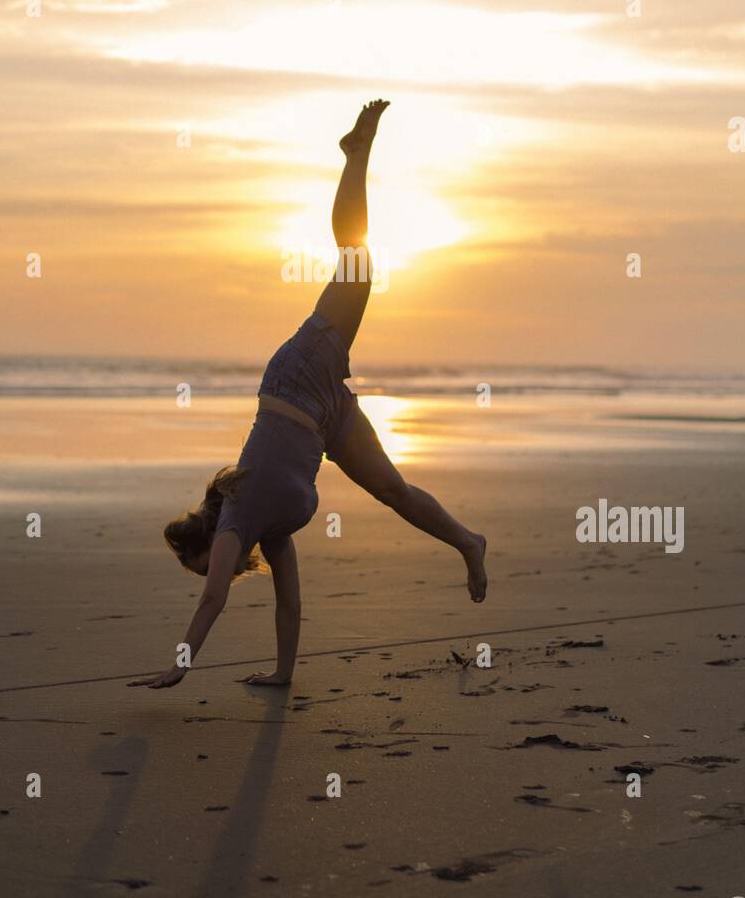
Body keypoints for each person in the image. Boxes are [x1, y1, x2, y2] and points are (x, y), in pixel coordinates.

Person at [130, 101, 487, 692]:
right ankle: (468, 543)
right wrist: (281, 675)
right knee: (394, 490)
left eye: (194, 566)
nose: (205, 574)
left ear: (202, 544)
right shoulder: (270, 530)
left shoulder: (235, 516)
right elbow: (289, 606)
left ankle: (356, 155)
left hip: (295, 378)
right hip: (322, 418)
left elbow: (215, 597)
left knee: (356, 264)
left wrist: (180, 666)